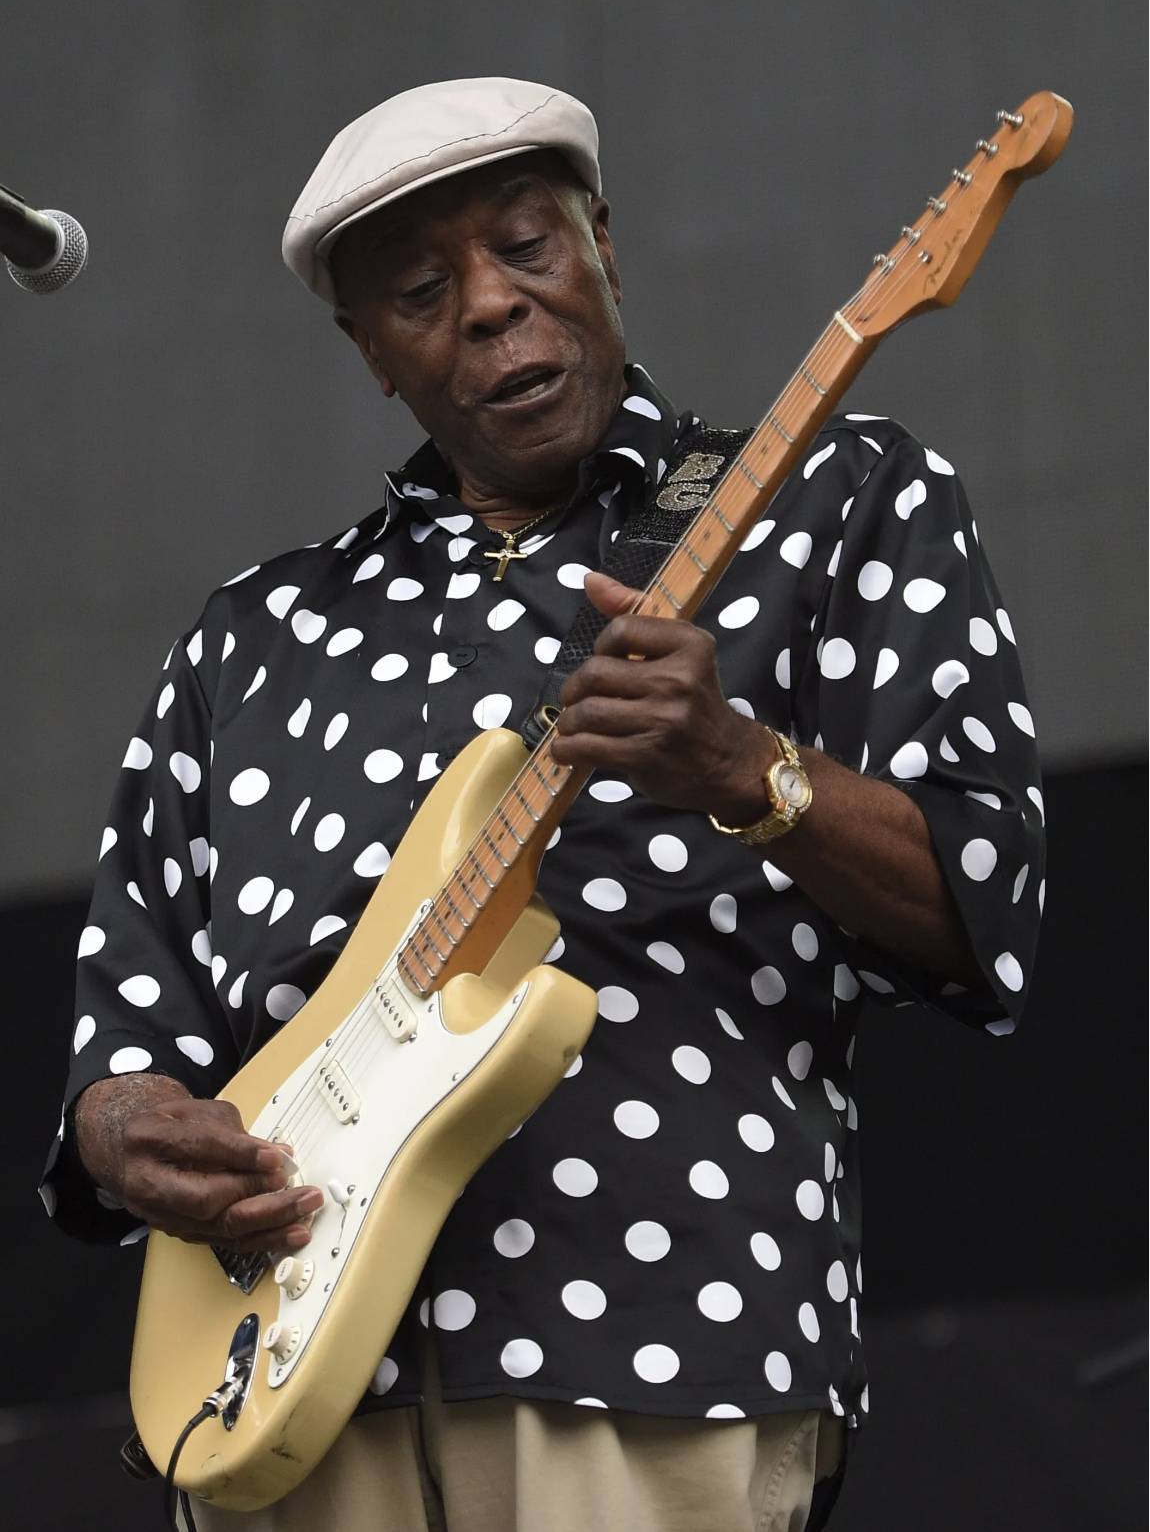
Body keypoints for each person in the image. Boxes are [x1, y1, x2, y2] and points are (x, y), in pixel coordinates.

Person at [42, 78, 1044, 1532]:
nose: (493, 306)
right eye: (420, 291)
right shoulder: (251, 633)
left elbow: (981, 911)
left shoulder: (832, 497)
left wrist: (742, 768)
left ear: (604, 244)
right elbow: (130, 1017)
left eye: (526, 245)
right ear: (368, 349)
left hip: (646, 1352)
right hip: (283, 1379)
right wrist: (124, 1121)